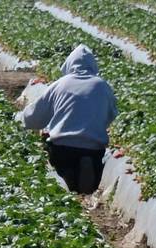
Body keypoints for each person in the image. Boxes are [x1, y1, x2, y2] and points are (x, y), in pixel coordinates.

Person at [22, 44, 118, 195]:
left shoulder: (61, 84)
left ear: (69, 64)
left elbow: (35, 117)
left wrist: (23, 120)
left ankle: (67, 176)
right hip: (93, 149)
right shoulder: (102, 86)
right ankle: (87, 173)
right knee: (93, 161)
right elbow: (111, 114)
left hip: (63, 147)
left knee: (60, 161)